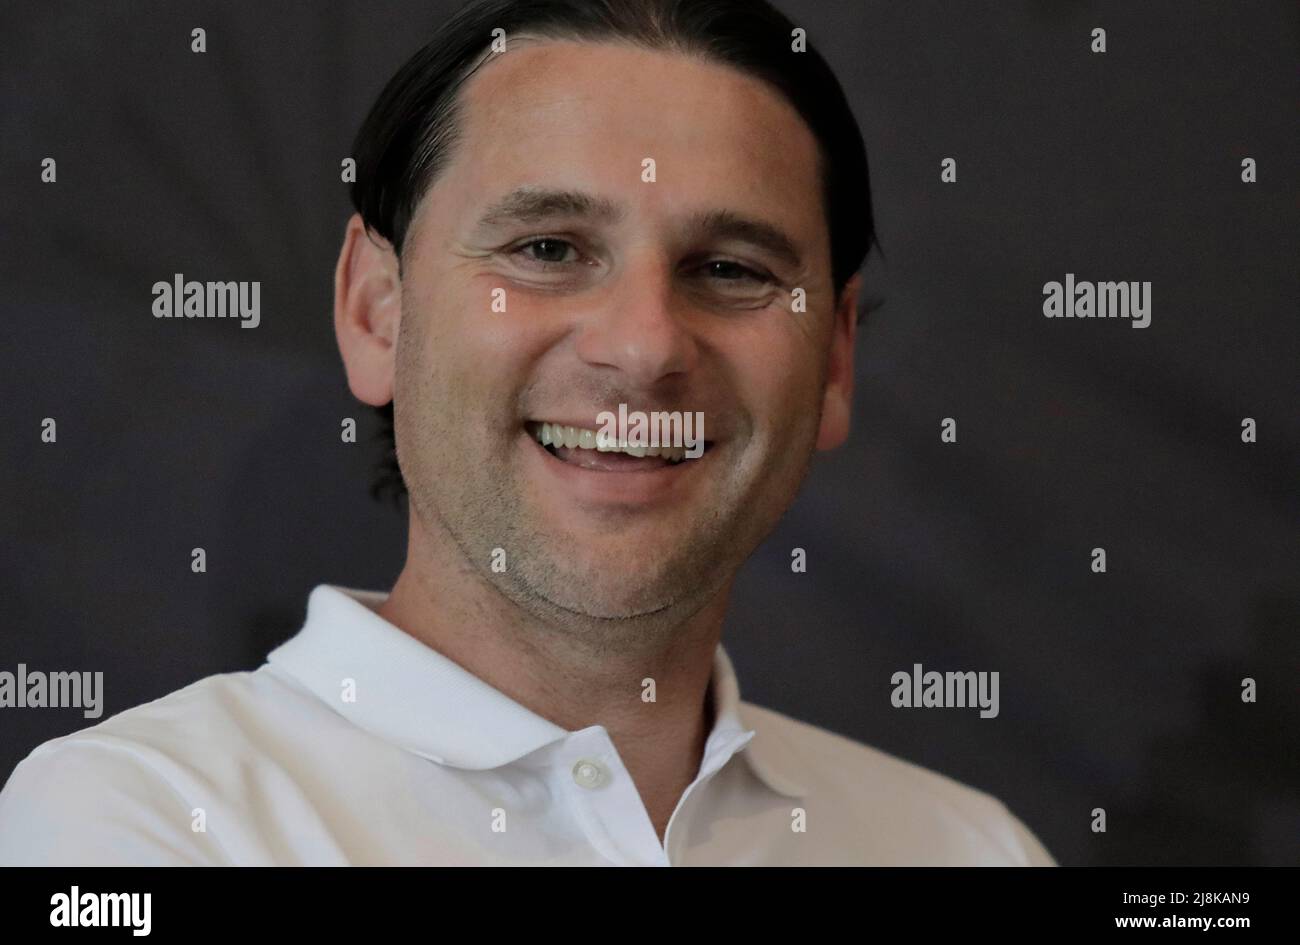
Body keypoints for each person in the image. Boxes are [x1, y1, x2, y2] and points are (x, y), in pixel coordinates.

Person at [0, 0, 1054, 865]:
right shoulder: (133, 824)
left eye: (731, 269)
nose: (644, 346)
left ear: (831, 362)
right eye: (547, 247)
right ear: (377, 310)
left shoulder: (969, 848)